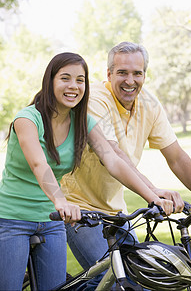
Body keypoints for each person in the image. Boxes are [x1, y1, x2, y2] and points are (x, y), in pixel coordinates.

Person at [0, 51, 175, 291]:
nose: (73, 86)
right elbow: (39, 164)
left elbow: (112, 160)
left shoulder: (82, 121)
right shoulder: (27, 119)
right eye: (65, 78)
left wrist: (152, 196)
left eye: (80, 80)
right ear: (50, 81)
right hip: (12, 219)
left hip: (51, 221)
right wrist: (61, 201)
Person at [61, 42, 191, 289]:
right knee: (114, 282)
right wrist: (153, 192)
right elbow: (113, 154)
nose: (130, 80)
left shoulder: (150, 104)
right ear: (109, 74)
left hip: (118, 212)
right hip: (79, 209)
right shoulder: (95, 100)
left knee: (144, 278)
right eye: (122, 73)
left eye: (137, 73)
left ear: (145, 74)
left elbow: (177, 157)